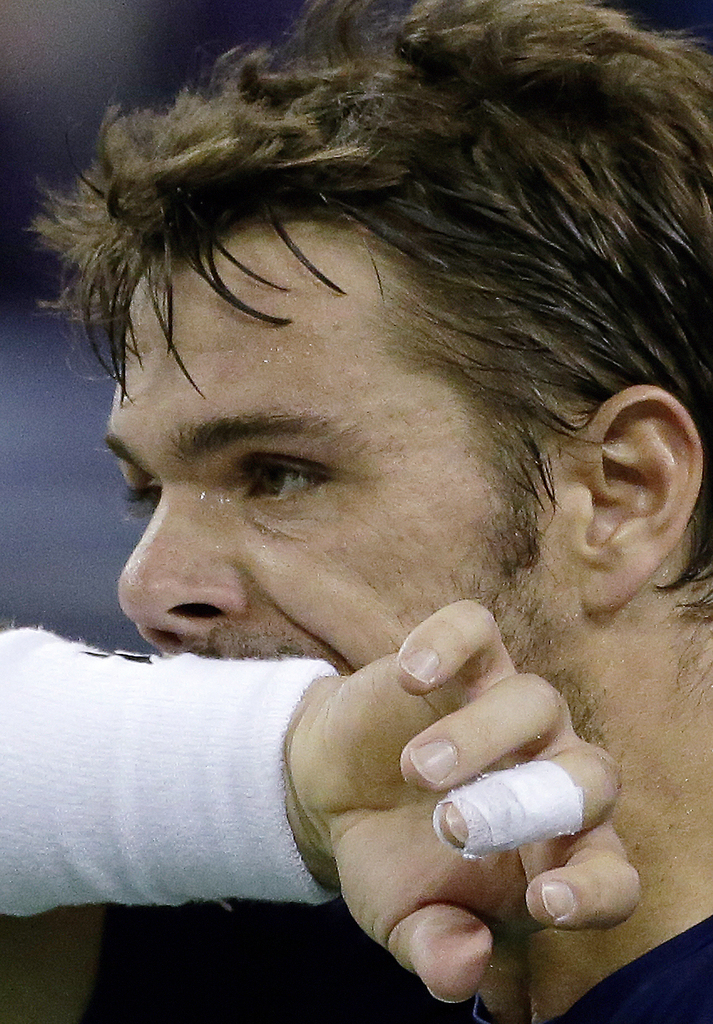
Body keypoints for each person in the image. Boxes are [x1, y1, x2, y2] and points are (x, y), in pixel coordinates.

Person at [28, 0, 713, 1018]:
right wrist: (277, 782)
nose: (150, 588)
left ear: (619, 493)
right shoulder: (273, 914)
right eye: (145, 494)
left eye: (279, 474)